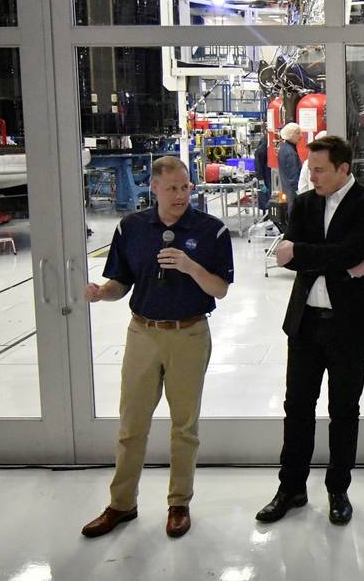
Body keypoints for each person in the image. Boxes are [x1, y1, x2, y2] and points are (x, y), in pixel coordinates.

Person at [80, 156, 234, 540]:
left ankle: (178, 503)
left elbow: (220, 288)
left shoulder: (211, 230)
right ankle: (121, 504)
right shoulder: (132, 228)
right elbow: (120, 282)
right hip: (143, 334)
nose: (181, 195)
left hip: (190, 334)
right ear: (154, 188)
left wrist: (190, 266)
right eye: (172, 188)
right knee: (132, 425)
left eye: (186, 187)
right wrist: (102, 294)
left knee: (184, 426)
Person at [256, 135, 364, 526]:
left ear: (343, 169)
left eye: (318, 170)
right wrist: (341, 261)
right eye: (309, 168)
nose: (310, 176)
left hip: (350, 325)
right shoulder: (305, 203)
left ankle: (338, 489)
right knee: (296, 407)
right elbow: (298, 260)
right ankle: (291, 488)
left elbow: (341, 250)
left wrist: (306, 253)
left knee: (343, 410)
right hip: (305, 322)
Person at [278, 122, 302, 210]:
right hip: (292, 191)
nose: (301, 136)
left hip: (287, 188)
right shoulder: (290, 153)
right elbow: (293, 176)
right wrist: (299, 192)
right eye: (298, 133)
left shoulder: (283, 148)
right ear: (290, 134)